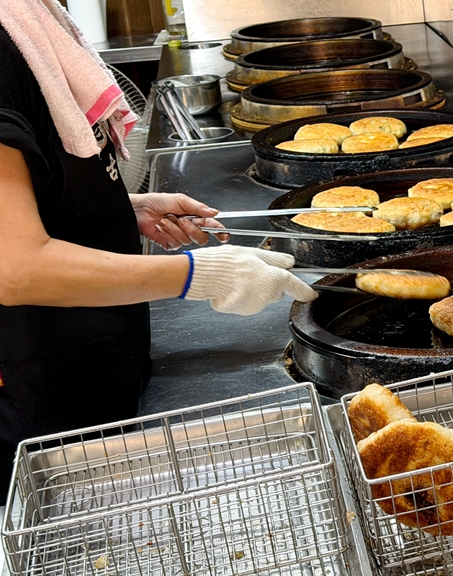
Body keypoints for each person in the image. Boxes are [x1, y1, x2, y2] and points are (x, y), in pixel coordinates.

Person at [0, 0, 317, 501]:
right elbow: (13, 268)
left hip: (101, 362)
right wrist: (198, 275)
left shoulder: (27, 14)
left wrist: (114, 207)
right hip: (41, 407)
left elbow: (29, 193)